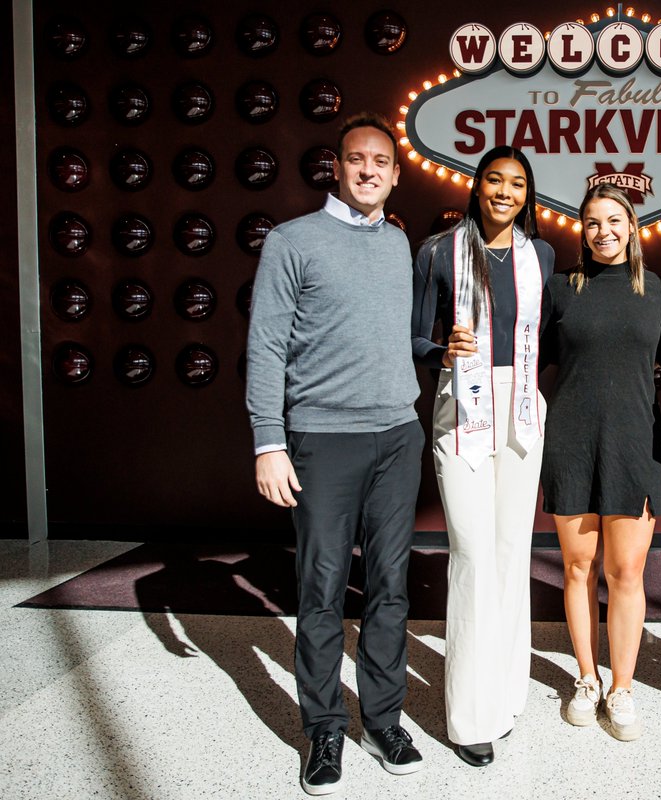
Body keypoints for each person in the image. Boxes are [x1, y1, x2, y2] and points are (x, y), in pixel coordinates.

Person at [246, 111, 424, 795]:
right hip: (321, 439)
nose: (369, 170)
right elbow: (264, 346)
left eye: (381, 161)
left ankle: (382, 717)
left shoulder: (396, 245)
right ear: (338, 166)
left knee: (389, 589)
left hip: (396, 437)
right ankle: (324, 727)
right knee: (320, 591)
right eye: (357, 159)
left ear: (395, 173)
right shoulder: (293, 242)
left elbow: (389, 339)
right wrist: (269, 441)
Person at [412, 146, 555, 767]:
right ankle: (470, 715)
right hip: (462, 405)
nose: (505, 191)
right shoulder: (439, 251)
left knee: (509, 552)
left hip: (521, 407)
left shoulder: (541, 255)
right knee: (471, 554)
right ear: (476, 187)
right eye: (494, 180)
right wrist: (441, 348)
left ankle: (506, 692)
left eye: (517, 183)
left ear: (528, 193)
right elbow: (413, 335)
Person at [541, 184, 661, 741]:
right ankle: (586, 678)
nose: (604, 232)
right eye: (592, 223)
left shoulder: (658, 292)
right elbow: (529, 361)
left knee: (626, 574)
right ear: (581, 230)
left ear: (632, 225)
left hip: (632, 448)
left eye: (614, 220)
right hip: (570, 445)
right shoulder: (559, 289)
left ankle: (622, 687)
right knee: (577, 569)